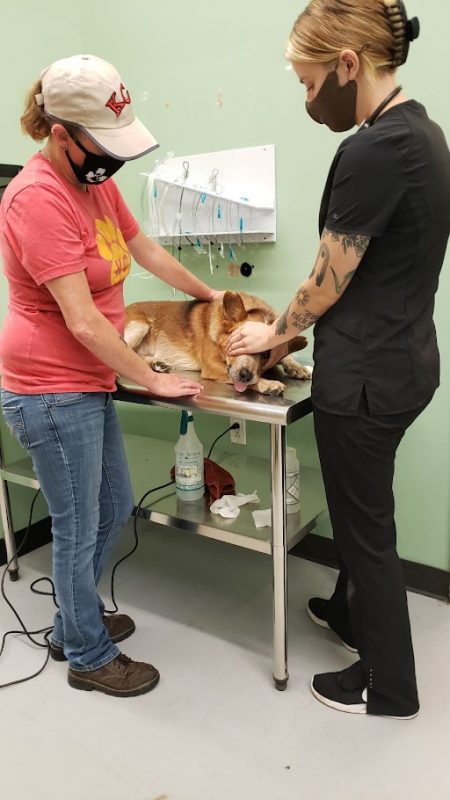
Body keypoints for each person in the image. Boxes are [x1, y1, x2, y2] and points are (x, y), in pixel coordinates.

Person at [227, 0, 450, 718]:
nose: (307, 95)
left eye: (308, 80)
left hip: (364, 381)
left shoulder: (373, 149)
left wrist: (272, 334)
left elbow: (328, 280)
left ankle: (387, 686)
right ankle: (349, 615)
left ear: (348, 65)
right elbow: (381, 270)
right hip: (405, 360)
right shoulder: (423, 134)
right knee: (364, 517)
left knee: (366, 533)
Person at [0, 54, 223, 697]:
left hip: (87, 380)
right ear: (60, 132)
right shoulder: (36, 198)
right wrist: (152, 380)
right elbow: (83, 321)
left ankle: (73, 620)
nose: (112, 162)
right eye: (103, 145)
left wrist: (211, 299)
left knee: (114, 506)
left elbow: (145, 249)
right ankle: (88, 656)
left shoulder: (94, 183)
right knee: (76, 525)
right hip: (48, 386)